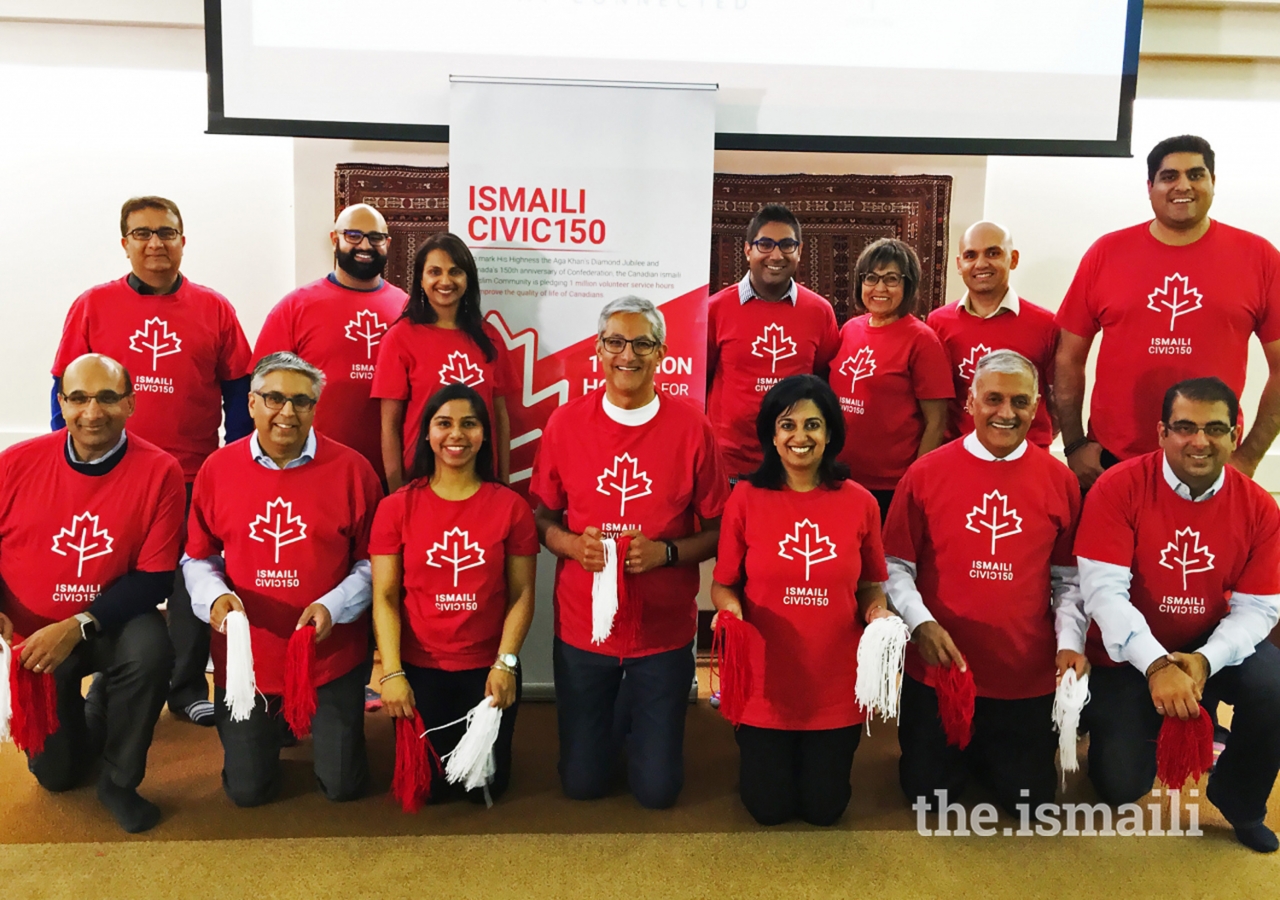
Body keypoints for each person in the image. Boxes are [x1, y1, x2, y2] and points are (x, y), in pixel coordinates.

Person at [51, 196, 255, 728]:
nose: (155, 243)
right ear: (124, 244)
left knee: (191, 584)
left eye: (166, 232)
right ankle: (110, 680)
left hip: (191, 474)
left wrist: (232, 466)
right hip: (114, 477)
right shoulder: (92, 306)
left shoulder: (215, 309)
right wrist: (69, 468)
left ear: (184, 240)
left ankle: (186, 685)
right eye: (141, 234)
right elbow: (64, 394)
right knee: (108, 579)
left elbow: (239, 396)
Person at [531, 296, 729, 809]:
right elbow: (541, 521)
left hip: (661, 634)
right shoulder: (565, 425)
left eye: (642, 343)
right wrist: (574, 546)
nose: (628, 354)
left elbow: (717, 529)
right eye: (616, 342)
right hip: (584, 630)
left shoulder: (692, 429)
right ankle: (614, 715)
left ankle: (632, 715)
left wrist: (665, 554)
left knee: (658, 792)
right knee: (582, 785)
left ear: (662, 352)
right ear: (597, 350)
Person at [1075, 376, 1280, 853]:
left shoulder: (1259, 507)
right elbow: (1104, 596)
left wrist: (1204, 660)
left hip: (1209, 641)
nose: (1199, 441)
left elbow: (1259, 609)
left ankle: (1240, 801)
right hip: (1129, 651)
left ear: (1235, 433)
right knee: (1120, 786)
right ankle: (1173, 713)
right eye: (1184, 427)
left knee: (1274, 685)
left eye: (1215, 428)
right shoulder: (1118, 487)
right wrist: (1158, 665)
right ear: (1162, 433)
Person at [883, 349, 1086, 817]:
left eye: (1020, 402)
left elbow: (1070, 578)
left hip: (1022, 676)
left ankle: (990, 751)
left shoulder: (1060, 480)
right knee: (927, 797)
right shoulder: (926, 473)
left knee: (1028, 804)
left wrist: (1068, 642)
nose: (1006, 413)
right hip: (941, 672)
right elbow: (895, 565)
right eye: (993, 399)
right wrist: (920, 625)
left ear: (1037, 408)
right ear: (970, 402)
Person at [183, 352, 383, 806]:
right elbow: (198, 557)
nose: (287, 412)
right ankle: (273, 725)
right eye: (274, 398)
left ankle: (307, 720)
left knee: (343, 788)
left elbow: (374, 562)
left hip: (329, 651)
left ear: (316, 407)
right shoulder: (218, 469)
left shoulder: (353, 470)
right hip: (248, 657)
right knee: (248, 792)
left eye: (302, 401)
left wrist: (335, 605)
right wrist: (214, 598)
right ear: (251, 403)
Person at [0, 354, 185, 832]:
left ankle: (120, 781)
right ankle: (97, 707)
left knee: (150, 650)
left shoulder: (160, 471)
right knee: (58, 776)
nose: (92, 412)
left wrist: (78, 623)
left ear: (131, 403)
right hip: (35, 639)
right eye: (78, 398)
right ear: (61, 403)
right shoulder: (14, 464)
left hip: (113, 623)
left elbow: (154, 578)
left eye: (107, 398)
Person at [711, 374, 893, 826]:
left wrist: (878, 612)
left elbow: (872, 583)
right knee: (768, 810)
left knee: (824, 809)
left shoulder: (861, 502)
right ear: (771, 435)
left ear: (830, 433)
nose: (800, 436)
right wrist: (729, 612)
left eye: (813, 425)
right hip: (766, 681)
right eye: (787, 425)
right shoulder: (745, 498)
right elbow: (724, 583)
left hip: (832, 681)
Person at [1056, 134, 1280, 490]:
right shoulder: (1106, 253)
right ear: (1150, 186)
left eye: (1196, 174)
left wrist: (1250, 456)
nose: (1183, 186)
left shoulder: (1260, 258)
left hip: (1210, 461)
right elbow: (1068, 358)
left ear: (1213, 182)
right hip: (1112, 461)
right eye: (1169, 176)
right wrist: (1073, 445)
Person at [371, 383, 537, 802]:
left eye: (469, 424)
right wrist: (391, 673)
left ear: (485, 434)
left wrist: (505, 663)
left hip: (486, 668)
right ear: (427, 433)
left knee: (483, 787)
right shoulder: (397, 507)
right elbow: (386, 596)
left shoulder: (510, 507)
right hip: (420, 666)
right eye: (444, 423)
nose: (456, 435)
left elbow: (521, 593)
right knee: (428, 788)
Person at [254, 203, 408, 482]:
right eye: (353, 235)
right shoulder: (295, 308)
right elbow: (259, 391)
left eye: (375, 238)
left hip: (393, 474)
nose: (365, 245)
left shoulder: (407, 309)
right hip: (312, 472)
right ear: (334, 240)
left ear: (387, 244)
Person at [706, 204, 841, 480]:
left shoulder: (819, 311)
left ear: (799, 251)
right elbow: (701, 379)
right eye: (765, 244)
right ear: (748, 250)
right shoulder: (715, 309)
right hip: (730, 463)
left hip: (794, 463)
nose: (776, 255)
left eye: (787, 245)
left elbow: (822, 379)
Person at [373, 233, 515, 491]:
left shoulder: (490, 337)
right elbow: (389, 425)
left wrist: (503, 482)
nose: (445, 281)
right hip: (421, 481)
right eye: (435, 272)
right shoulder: (399, 338)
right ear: (421, 279)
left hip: (481, 479)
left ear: (467, 278)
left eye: (455, 271)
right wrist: (396, 492)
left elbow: (500, 417)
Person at [829, 238, 952, 520]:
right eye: (871, 278)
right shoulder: (849, 330)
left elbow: (936, 422)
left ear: (908, 285)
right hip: (839, 476)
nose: (880, 288)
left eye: (891, 279)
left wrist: (914, 484)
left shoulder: (922, 340)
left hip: (890, 487)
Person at [927, 221, 1058, 447]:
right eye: (970, 255)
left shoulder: (1046, 324)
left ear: (1013, 258)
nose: (981, 263)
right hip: (959, 455)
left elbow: (1059, 399)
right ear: (959, 264)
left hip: (1027, 457)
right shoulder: (938, 323)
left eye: (993, 253)